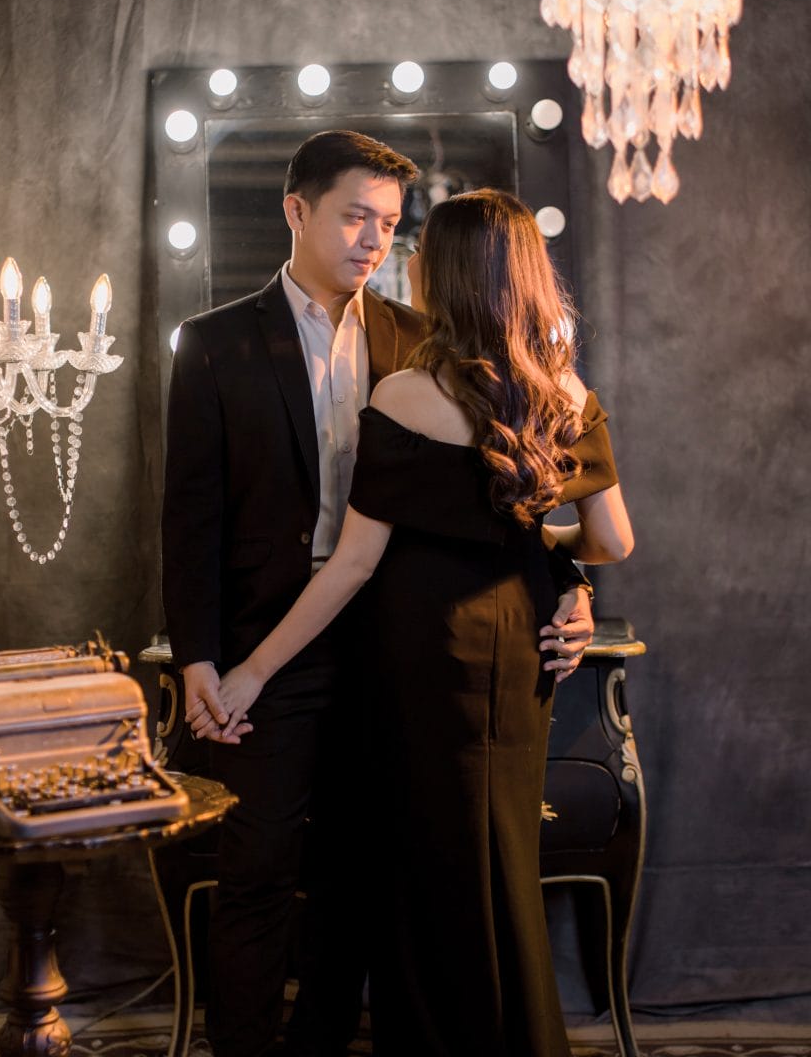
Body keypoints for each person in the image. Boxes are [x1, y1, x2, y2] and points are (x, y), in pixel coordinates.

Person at [162, 141, 597, 1057]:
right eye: (357, 216)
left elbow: (502, 501)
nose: (374, 240)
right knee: (258, 871)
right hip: (271, 643)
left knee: (367, 873)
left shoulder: (420, 340)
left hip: (403, 647)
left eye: (392, 225)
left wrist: (573, 587)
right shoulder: (213, 344)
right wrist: (199, 658)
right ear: (297, 211)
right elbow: (188, 519)